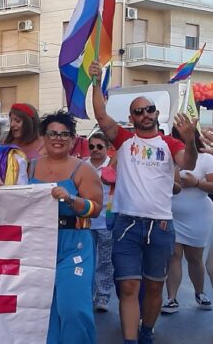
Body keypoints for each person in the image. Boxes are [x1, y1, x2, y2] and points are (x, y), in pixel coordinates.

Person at [90, 61, 198, 344]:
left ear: (157, 113)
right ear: (132, 117)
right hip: (126, 224)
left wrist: (191, 141)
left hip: (161, 227)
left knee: (153, 288)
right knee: (127, 286)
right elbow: (101, 116)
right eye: (139, 111)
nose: (145, 114)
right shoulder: (124, 140)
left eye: (149, 109)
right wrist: (95, 81)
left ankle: (147, 332)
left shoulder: (169, 144)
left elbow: (187, 163)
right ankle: (130, 341)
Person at [28, 111, 103, 344]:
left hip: (74, 244)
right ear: (43, 137)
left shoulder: (83, 169)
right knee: (43, 310)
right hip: (38, 244)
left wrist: (71, 199)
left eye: (64, 134)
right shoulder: (28, 168)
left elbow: (96, 208)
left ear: (72, 139)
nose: (58, 139)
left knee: (74, 309)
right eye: (52, 133)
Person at [162, 128, 213, 313]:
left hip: (199, 216)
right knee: (173, 257)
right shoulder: (167, 160)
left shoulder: (206, 159)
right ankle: (171, 298)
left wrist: (196, 183)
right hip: (172, 214)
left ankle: (200, 292)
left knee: (194, 258)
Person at [87, 133, 115, 312]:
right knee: (87, 261)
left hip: (107, 220)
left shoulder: (114, 166)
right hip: (86, 222)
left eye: (99, 146)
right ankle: (87, 294)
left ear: (106, 148)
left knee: (105, 261)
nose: (95, 150)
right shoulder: (83, 165)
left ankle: (103, 296)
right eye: (92, 146)